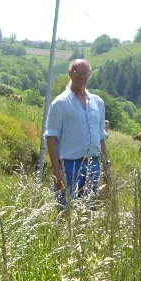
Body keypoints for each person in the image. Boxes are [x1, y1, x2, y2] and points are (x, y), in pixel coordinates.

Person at [44, 59, 109, 209]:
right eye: (77, 72)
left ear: (90, 74)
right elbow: (51, 138)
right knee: (66, 210)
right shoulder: (59, 103)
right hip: (69, 165)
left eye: (85, 73)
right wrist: (57, 173)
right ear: (70, 74)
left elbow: (101, 136)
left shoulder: (98, 103)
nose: (82, 76)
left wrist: (106, 165)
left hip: (93, 164)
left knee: (89, 211)